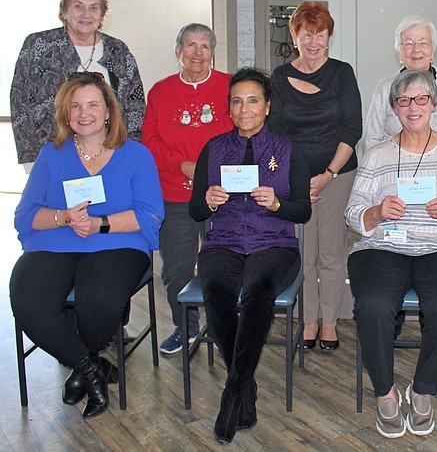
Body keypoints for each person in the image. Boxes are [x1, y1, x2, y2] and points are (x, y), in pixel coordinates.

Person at [10, 72, 163, 419]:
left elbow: (150, 214)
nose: (84, 113)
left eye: (92, 104)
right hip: (55, 241)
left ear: (108, 110)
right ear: (66, 114)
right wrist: (63, 217)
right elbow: (26, 214)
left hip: (117, 240)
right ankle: (89, 368)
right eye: (75, 106)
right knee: (27, 298)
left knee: (101, 299)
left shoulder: (136, 155)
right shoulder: (52, 155)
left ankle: (83, 366)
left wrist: (99, 224)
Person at [346, 69, 437, 439]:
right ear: (394, 107)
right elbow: (352, 210)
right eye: (404, 100)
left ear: (434, 105)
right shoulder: (376, 155)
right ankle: (385, 392)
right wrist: (376, 212)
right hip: (385, 246)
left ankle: (422, 390)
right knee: (373, 305)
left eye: (421, 99)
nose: (413, 107)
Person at [188, 67, 311, 444]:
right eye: (237, 101)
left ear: (268, 106)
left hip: (274, 243)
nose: (244, 109)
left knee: (259, 289)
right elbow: (195, 211)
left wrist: (276, 203)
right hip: (223, 241)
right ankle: (244, 388)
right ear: (229, 107)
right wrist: (208, 202)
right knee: (217, 289)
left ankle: (233, 392)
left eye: (253, 100)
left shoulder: (288, 150)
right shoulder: (214, 148)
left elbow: (302, 211)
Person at [269, 1, 362, 351]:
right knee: (304, 253)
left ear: (329, 37)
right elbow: (274, 133)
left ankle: (329, 321)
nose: (314, 42)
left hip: (337, 175)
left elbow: (353, 128)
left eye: (320, 35)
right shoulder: (278, 77)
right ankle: (307, 321)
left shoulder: (342, 73)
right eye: (307, 34)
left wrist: (328, 173)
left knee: (332, 253)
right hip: (295, 181)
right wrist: (297, 180)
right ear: (295, 35)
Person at [142, 23, 233, 355]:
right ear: (178, 51)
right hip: (174, 193)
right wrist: (182, 165)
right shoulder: (161, 91)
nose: (197, 53)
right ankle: (186, 327)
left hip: (221, 195)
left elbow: (243, 131)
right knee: (177, 268)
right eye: (190, 45)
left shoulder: (228, 86)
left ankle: (225, 326)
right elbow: (149, 139)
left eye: (205, 46)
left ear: (212, 52)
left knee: (224, 263)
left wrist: (212, 169)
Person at [10, 0, 145, 170]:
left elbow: (135, 107)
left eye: (93, 7)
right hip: (50, 155)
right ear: (64, 10)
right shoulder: (37, 45)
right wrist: (30, 160)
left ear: (102, 15)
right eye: (78, 6)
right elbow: (19, 103)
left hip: (108, 157)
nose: (86, 14)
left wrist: (128, 153)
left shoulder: (118, 51)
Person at [364, 16, 437, 150]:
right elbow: (371, 141)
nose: (416, 49)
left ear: (432, 50)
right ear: (399, 52)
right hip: (394, 167)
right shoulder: (385, 88)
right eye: (408, 43)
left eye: (423, 42)